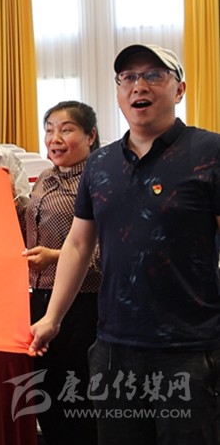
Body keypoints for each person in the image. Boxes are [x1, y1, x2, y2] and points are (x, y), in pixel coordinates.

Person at [29, 44, 220, 444]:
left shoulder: (209, 153)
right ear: (118, 92)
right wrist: (52, 318)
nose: (139, 86)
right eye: (129, 77)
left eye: (154, 75)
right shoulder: (100, 165)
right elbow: (78, 244)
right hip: (114, 347)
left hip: (190, 348)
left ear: (179, 89)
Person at [22, 101, 101, 445]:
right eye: (49, 129)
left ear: (90, 136)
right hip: (38, 300)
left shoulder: (97, 182)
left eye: (66, 129)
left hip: (81, 303)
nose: (55, 138)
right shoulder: (45, 178)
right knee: (46, 391)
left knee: (76, 396)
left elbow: (106, 251)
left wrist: (55, 257)